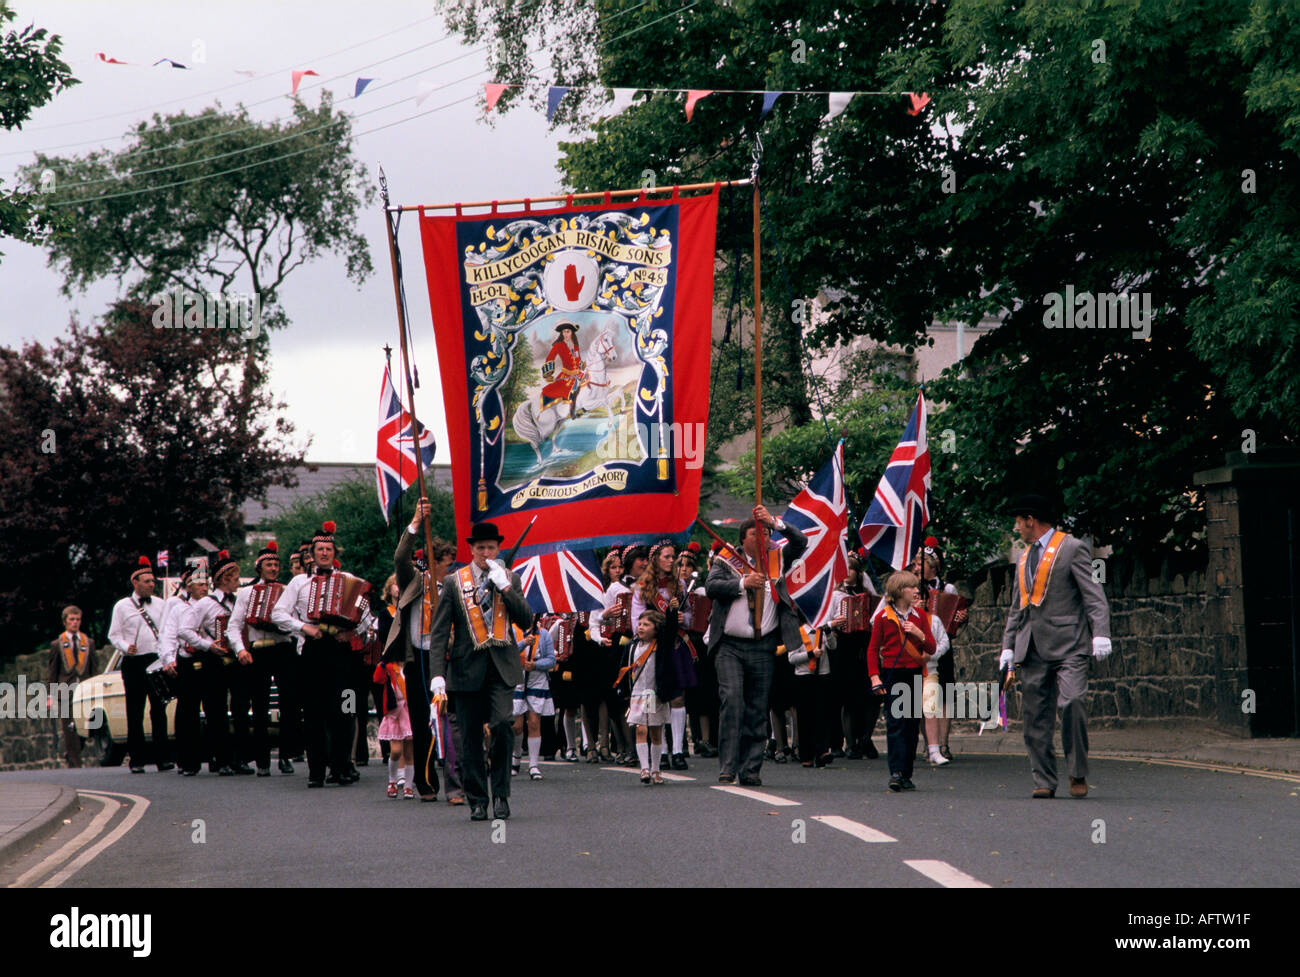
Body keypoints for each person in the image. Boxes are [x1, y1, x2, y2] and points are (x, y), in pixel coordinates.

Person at [1000, 494, 1112, 799]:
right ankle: (1044, 779)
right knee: (1035, 716)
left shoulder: (1072, 547)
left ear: (1031, 520)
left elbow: (1093, 594)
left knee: (1072, 703)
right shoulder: (1023, 557)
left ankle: (1077, 772)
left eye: (1018, 521)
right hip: (1031, 647)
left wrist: (1100, 632)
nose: (1016, 527)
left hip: (1070, 645)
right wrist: (1007, 647)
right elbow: (1016, 608)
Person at [427, 521, 532, 821]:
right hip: (464, 669)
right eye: (481, 548)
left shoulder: (510, 576)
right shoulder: (453, 582)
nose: (486, 552)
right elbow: (439, 631)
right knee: (470, 740)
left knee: (502, 725)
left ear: (498, 549)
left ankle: (501, 794)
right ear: (471, 550)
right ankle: (477, 799)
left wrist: (506, 587)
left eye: (491, 547)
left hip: (501, 668)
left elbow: (526, 620)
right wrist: (438, 674)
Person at [704, 505, 808, 786]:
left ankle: (751, 769)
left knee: (757, 709)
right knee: (733, 700)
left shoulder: (777, 557)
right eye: (756, 532)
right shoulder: (726, 560)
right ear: (744, 538)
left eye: (765, 532)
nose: (763, 536)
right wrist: (742, 582)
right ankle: (728, 766)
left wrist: (775, 522)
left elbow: (801, 541)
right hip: (730, 646)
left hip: (763, 646)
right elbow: (711, 587)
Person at [272, 521, 369, 788]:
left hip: (341, 652)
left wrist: (352, 633)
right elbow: (278, 613)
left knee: (344, 708)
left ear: (334, 552)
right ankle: (316, 770)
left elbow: (365, 616)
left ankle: (341, 766)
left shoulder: (348, 580)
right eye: (320, 549)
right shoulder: (299, 582)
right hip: (312, 651)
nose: (325, 553)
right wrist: (304, 627)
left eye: (329, 549)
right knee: (314, 712)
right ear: (311, 553)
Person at [388, 499, 458, 802]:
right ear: (432, 560)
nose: (450, 566)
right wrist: (416, 521)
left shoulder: (456, 587)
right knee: (420, 721)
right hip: (418, 658)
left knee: (450, 721)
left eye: (451, 561)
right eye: (445, 561)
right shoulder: (414, 581)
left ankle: (457, 783)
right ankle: (426, 783)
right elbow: (401, 557)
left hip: (446, 660)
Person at [868, 570, 942, 792]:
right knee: (896, 724)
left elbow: (931, 647)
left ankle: (906, 772)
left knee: (910, 726)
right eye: (912, 587)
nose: (917, 591)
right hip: (893, 673)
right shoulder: (883, 617)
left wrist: (919, 633)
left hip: (914, 674)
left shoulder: (920, 616)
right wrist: (874, 677)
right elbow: (872, 649)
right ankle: (896, 772)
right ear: (901, 591)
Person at [179, 549, 249, 776]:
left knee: (239, 708)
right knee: (216, 710)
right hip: (214, 661)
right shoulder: (205, 604)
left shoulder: (238, 601)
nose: (238, 583)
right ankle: (222, 760)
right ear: (226, 579)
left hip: (235, 660)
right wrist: (208, 645)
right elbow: (185, 630)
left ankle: (240, 758)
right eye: (236, 578)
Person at [631, 540, 696, 770]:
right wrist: (660, 622)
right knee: (657, 697)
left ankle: (678, 750)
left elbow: (690, 616)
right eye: (667, 557)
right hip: (654, 648)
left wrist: (681, 619)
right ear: (656, 559)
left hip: (675, 645)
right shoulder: (641, 587)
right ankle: (663, 749)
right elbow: (636, 623)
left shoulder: (678, 584)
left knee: (677, 696)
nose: (672, 561)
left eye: (673, 557)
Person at [226, 541, 289, 776]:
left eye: (276, 564)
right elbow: (233, 626)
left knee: (288, 704)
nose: (273, 568)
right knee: (260, 706)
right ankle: (262, 760)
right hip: (259, 651)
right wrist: (241, 649)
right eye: (268, 564)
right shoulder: (247, 593)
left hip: (283, 649)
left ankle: (286, 755)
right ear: (259, 567)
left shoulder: (286, 590)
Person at [107, 556, 173, 773]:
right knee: (135, 711)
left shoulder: (161, 605)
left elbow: (166, 633)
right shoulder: (122, 606)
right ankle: (137, 759)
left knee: (159, 709)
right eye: (147, 581)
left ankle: (163, 757)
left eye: (153, 581)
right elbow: (113, 635)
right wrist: (126, 646)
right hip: (133, 662)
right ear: (135, 582)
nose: (151, 584)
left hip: (155, 660)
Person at [619, 604, 681, 785]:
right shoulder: (631, 646)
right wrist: (624, 690)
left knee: (655, 732)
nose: (641, 627)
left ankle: (656, 769)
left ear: (656, 629)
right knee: (640, 729)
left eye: (646, 625)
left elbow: (670, 631)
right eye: (640, 624)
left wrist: (671, 612)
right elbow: (624, 668)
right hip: (638, 693)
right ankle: (644, 768)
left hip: (654, 694)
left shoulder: (660, 645)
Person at [157, 566, 209, 775]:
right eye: (200, 584)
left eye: (207, 584)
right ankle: (188, 761)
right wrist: (169, 659)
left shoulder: (211, 605)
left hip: (209, 659)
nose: (205, 588)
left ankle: (217, 758)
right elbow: (168, 634)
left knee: (214, 708)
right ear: (189, 587)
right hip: (187, 661)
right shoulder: (179, 608)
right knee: (188, 711)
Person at [827, 553, 879, 760]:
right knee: (847, 697)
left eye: (850, 568)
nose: (846, 572)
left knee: (871, 695)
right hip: (843, 647)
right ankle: (849, 743)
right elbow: (828, 620)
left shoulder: (867, 593)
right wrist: (836, 623)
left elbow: (876, 618)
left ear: (858, 573)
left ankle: (865, 737)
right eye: (843, 569)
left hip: (864, 646)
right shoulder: (836, 595)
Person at [678, 545, 718, 758]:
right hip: (679, 643)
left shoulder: (701, 591)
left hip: (699, 645)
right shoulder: (672, 591)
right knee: (681, 695)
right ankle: (681, 742)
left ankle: (703, 739)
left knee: (701, 691)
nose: (684, 569)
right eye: (681, 566)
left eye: (688, 566)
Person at [47, 605, 97, 768]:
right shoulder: (57, 644)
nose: (75, 623)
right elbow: (52, 672)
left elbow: (93, 669)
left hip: (84, 690)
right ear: (65, 622)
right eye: (71, 620)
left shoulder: (88, 643)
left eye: (78, 620)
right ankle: (76, 763)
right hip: (65, 691)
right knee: (69, 727)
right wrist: (50, 695)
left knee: (85, 726)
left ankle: (72, 753)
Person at [511, 616, 557, 781]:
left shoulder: (543, 634)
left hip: (537, 678)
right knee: (516, 725)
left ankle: (533, 764)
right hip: (516, 676)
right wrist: (524, 643)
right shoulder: (512, 629)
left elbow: (551, 660)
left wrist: (536, 665)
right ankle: (516, 757)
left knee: (534, 721)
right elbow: (506, 652)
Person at [375, 639, 415, 799]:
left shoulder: (412, 668)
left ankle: (408, 785)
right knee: (396, 750)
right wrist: (383, 662)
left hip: (409, 711)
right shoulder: (390, 668)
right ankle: (392, 780)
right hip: (394, 712)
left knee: (410, 752)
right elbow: (377, 678)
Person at [540, 321, 585, 415]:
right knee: (560, 391)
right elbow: (549, 358)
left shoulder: (576, 346)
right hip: (566, 376)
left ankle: (576, 410)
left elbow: (578, 360)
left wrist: (582, 366)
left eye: (568, 331)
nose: (566, 334)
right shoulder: (558, 345)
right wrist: (548, 374)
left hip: (577, 375)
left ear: (572, 332)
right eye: (564, 332)